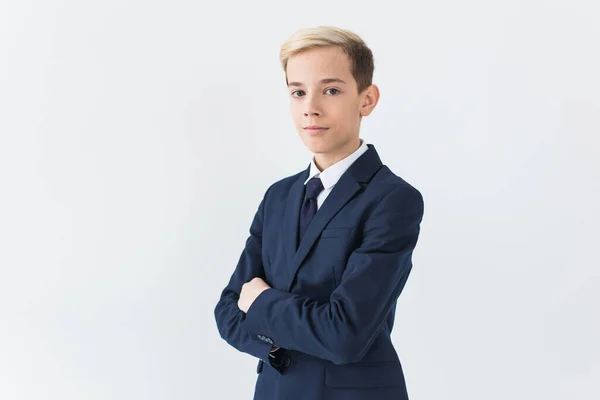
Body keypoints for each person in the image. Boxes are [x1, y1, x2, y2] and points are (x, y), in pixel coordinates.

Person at [214, 25, 424, 400]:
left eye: (330, 90)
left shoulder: (392, 200)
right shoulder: (278, 197)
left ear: (367, 99)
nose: (310, 106)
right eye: (298, 92)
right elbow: (228, 311)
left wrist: (262, 303)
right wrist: (275, 347)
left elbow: (344, 334)